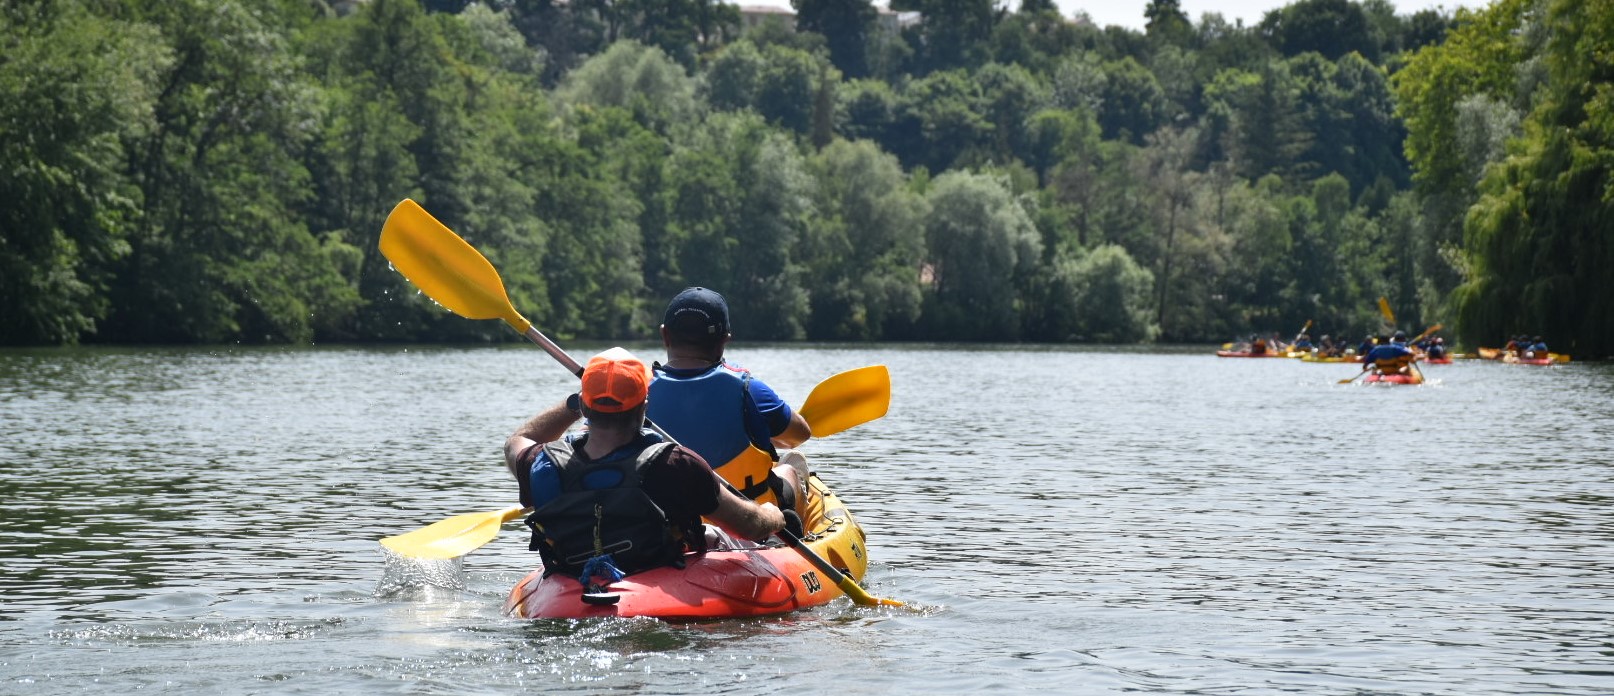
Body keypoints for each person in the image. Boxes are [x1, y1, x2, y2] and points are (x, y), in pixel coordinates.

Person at [503, 348, 789, 587]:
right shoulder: (676, 465)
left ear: (584, 406)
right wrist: (773, 516)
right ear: (644, 407)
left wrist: (572, 405)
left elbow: (517, 441)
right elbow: (748, 526)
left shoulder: (544, 465)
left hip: (571, 581)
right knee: (719, 537)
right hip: (657, 581)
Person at [646, 287, 814, 517]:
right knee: (790, 470)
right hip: (749, 520)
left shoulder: (637, 392)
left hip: (667, 521)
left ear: (665, 335)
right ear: (724, 340)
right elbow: (799, 435)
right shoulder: (750, 390)